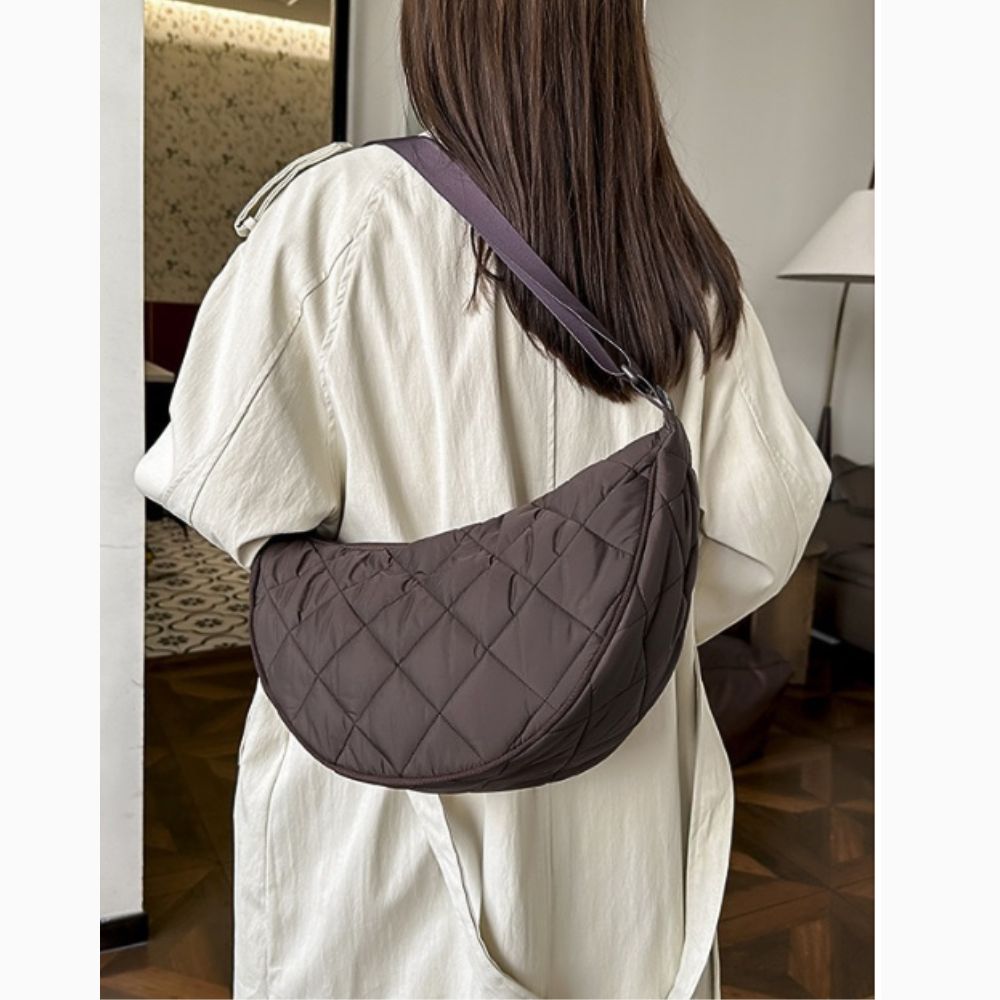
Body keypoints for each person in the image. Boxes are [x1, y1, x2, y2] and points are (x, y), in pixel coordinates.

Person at [134, 1, 830, 996]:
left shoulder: (343, 214)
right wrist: (597, 629)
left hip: (381, 790)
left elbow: (219, 484)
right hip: (617, 794)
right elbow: (765, 526)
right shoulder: (680, 258)